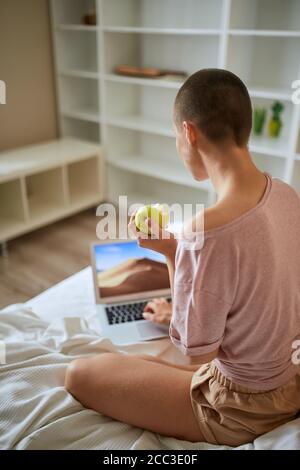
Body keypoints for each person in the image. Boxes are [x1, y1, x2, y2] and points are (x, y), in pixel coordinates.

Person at [65, 69, 300, 446]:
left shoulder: (205, 230)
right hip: (290, 379)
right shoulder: (287, 194)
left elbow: (195, 351)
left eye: (176, 135)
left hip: (240, 405)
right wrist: (175, 252)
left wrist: (179, 259)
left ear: (189, 133)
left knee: (79, 373)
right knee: (134, 366)